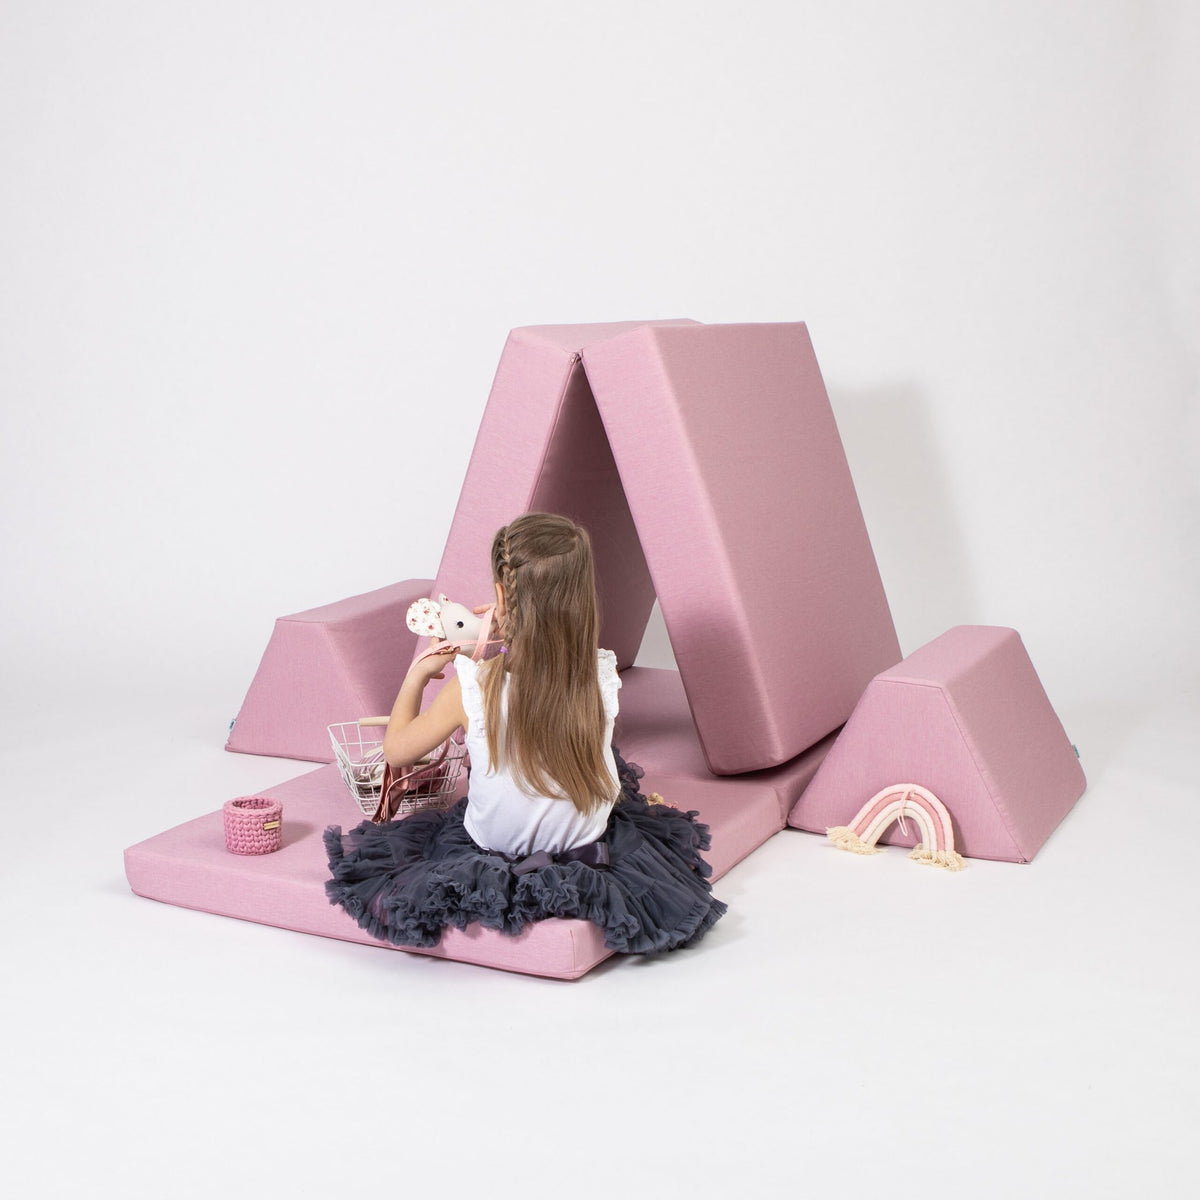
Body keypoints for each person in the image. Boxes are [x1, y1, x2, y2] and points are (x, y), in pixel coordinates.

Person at [324, 512, 726, 954]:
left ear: (502, 596)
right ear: (580, 598)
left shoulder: (472, 687)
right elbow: (543, 677)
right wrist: (517, 629)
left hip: (491, 844)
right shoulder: (600, 675)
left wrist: (418, 674)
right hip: (587, 843)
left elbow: (397, 751)